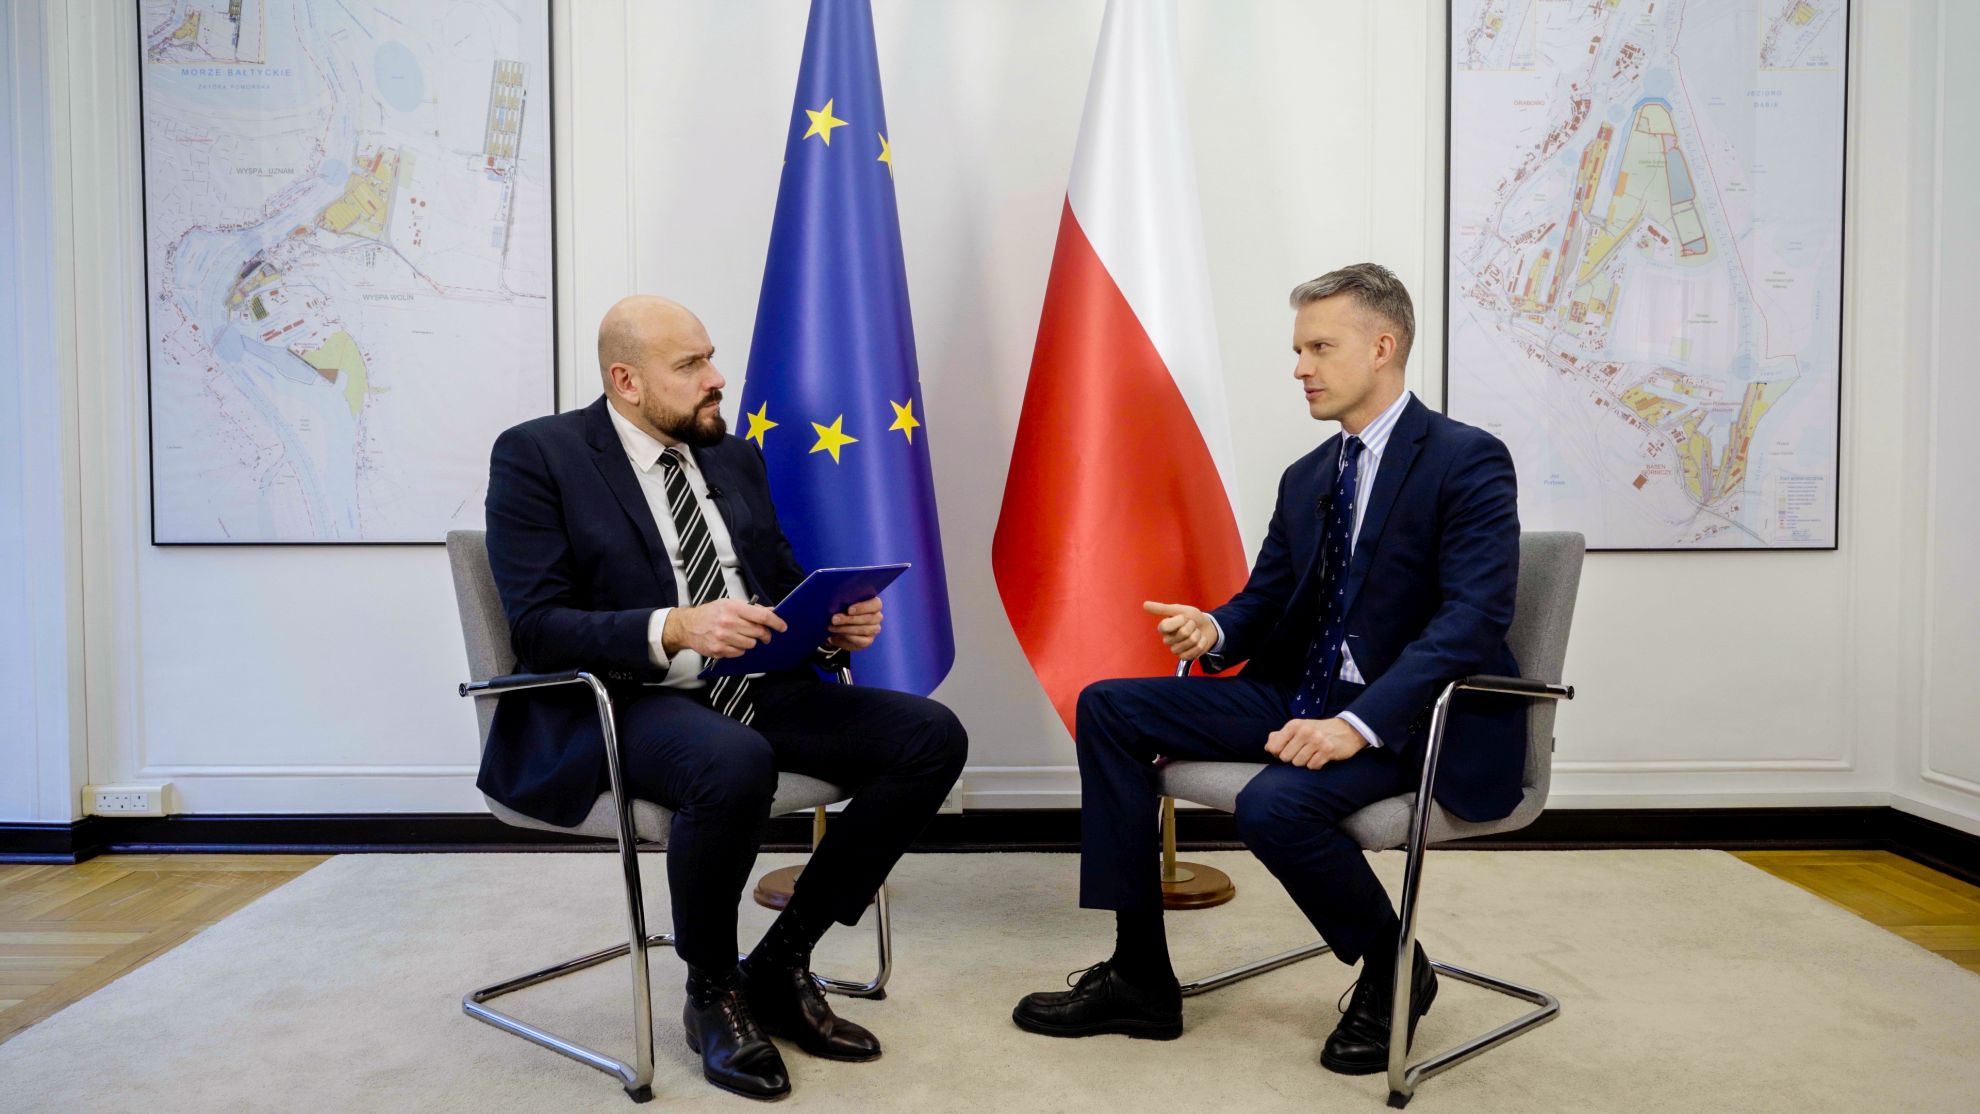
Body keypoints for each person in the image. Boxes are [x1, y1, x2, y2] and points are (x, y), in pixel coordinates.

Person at [1011, 263, 1525, 1076]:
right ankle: (1139, 974)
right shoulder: (1310, 475)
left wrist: (1355, 725)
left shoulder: (1466, 460)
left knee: (1274, 806)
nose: (1300, 368)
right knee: (1108, 705)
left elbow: (1471, 620)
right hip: (1304, 692)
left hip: (1414, 715)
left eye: (1320, 348)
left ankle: (1394, 968)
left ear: (1383, 346)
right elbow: (1267, 600)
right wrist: (1213, 628)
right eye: (1297, 350)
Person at [478, 295, 967, 1101]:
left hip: (753, 686)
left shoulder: (733, 457)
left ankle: (780, 960)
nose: (716, 378)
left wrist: (830, 628)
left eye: (710, 356)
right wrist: (672, 626)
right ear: (626, 381)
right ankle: (711, 989)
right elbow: (538, 627)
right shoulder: (539, 455)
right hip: (626, 700)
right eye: (690, 365)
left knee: (931, 737)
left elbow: (777, 588)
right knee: (732, 762)